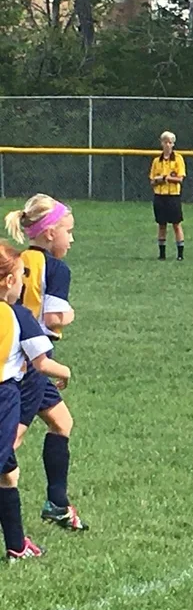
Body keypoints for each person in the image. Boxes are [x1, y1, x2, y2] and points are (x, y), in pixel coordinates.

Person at [5, 195, 87, 531]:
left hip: (16, 354)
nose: (71, 238)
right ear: (50, 233)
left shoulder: (18, 260)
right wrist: (70, 314)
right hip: (32, 365)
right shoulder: (56, 268)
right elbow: (52, 317)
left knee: (62, 422)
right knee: (9, 444)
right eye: (68, 231)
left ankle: (57, 502)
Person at [0, 241, 72, 560]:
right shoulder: (18, 316)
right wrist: (66, 371)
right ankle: (17, 545)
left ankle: (17, 545)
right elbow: (42, 363)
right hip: (5, 396)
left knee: (9, 473)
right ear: (10, 282)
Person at [149, 131, 186, 261]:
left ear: (173, 144)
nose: (168, 145)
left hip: (173, 195)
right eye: (165, 142)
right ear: (161, 143)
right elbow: (152, 181)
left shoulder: (178, 159)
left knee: (176, 224)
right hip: (160, 195)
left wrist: (168, 178)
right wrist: (159, 179)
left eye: (170, 142)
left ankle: (180, 254)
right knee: (161, 224)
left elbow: (180, 178)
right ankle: (162, 253)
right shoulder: (156, 161)